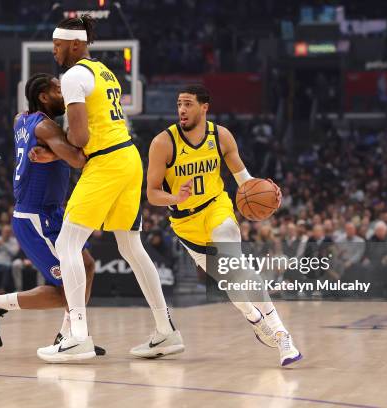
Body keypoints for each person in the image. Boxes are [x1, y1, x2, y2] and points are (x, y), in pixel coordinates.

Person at [41, 15, 183, 362]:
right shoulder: (104, 71)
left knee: (67, 243)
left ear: (75, 44)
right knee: (131, 246)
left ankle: (77, 336)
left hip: (105, 161)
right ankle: (166, 332)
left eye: (58, 45)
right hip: (129, 157)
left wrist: (55, 146)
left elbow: (80, 137)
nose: (55, 51)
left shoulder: (73, 75)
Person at [146, 84, 301, 367]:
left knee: (235, 264)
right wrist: (175, 197)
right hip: (185, 222)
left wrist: (262, 190)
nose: (182, 109)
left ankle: (281, 334)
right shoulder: (163, 143)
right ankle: (254, 320)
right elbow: (152, 192)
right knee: (229, 282)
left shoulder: (221, 136)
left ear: (205, 107)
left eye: (189, 104)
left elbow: (243, 179)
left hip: (218, 207)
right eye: (179, 103)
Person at [0, 73, 105, 356]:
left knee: (86, 266)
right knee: (67, 287)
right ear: (44, 96)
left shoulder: (22, 119)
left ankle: (69, 334)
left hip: (50, 213)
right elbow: (79, 160)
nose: (65, 93)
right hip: (35, 217)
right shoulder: (45, 127)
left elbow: (48, 141)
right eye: (58, 89)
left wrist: (52, 154)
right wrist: (60, 151)